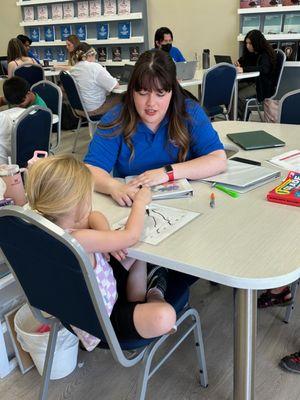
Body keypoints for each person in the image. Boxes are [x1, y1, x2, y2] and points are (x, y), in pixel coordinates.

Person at [25, 154, 176, 350]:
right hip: (103, 321)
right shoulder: (78, 239)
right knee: (165, 315)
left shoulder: (44, 227)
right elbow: (131, 236)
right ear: (77, 203)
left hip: (82, 303)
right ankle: (154, 295)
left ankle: (139, 299)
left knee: (135, 253)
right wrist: (140, 202)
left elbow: (94, 216)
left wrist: (106, 238)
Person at [84, 49, 227, 207]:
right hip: (132, 208)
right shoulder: (116, 119)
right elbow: (90, 170)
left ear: (173, 90)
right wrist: (114, 186)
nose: (151, 103)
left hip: (189, 203)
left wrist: (167, 173)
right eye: (143, 92)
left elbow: (218, 160)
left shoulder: (189, 112)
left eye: (160, 94)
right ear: (132, 91)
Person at [0, 77, 47, 163]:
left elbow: (36, 134)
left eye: (20, 103)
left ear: (28, 93)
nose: (18, 105)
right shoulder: (17, 96)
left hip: (31, 141)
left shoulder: (40, 109)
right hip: (14, 136)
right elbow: (3, 100)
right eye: (14, 103)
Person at [235, 29, 277, 120]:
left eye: (250, 43)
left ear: (257, 43)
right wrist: (238, 63)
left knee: (238, 96)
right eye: (246, 43)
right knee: (229, 90)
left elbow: (263, 69)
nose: (247, 46)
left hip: (261, 85)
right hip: (252, 82)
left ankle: (244, 115)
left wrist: (243, 69)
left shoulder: (265, 54)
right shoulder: (253, 53)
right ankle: (236, 115)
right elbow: (244, 61)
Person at [70, 42, 119, 116]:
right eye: (94, 55)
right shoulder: (95, 67)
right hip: (94, 109)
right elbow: (115, 86)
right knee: (124, 97)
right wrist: (115, 80)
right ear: (90, 55)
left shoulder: (73, 69)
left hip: (79, 109)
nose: (95, 57)